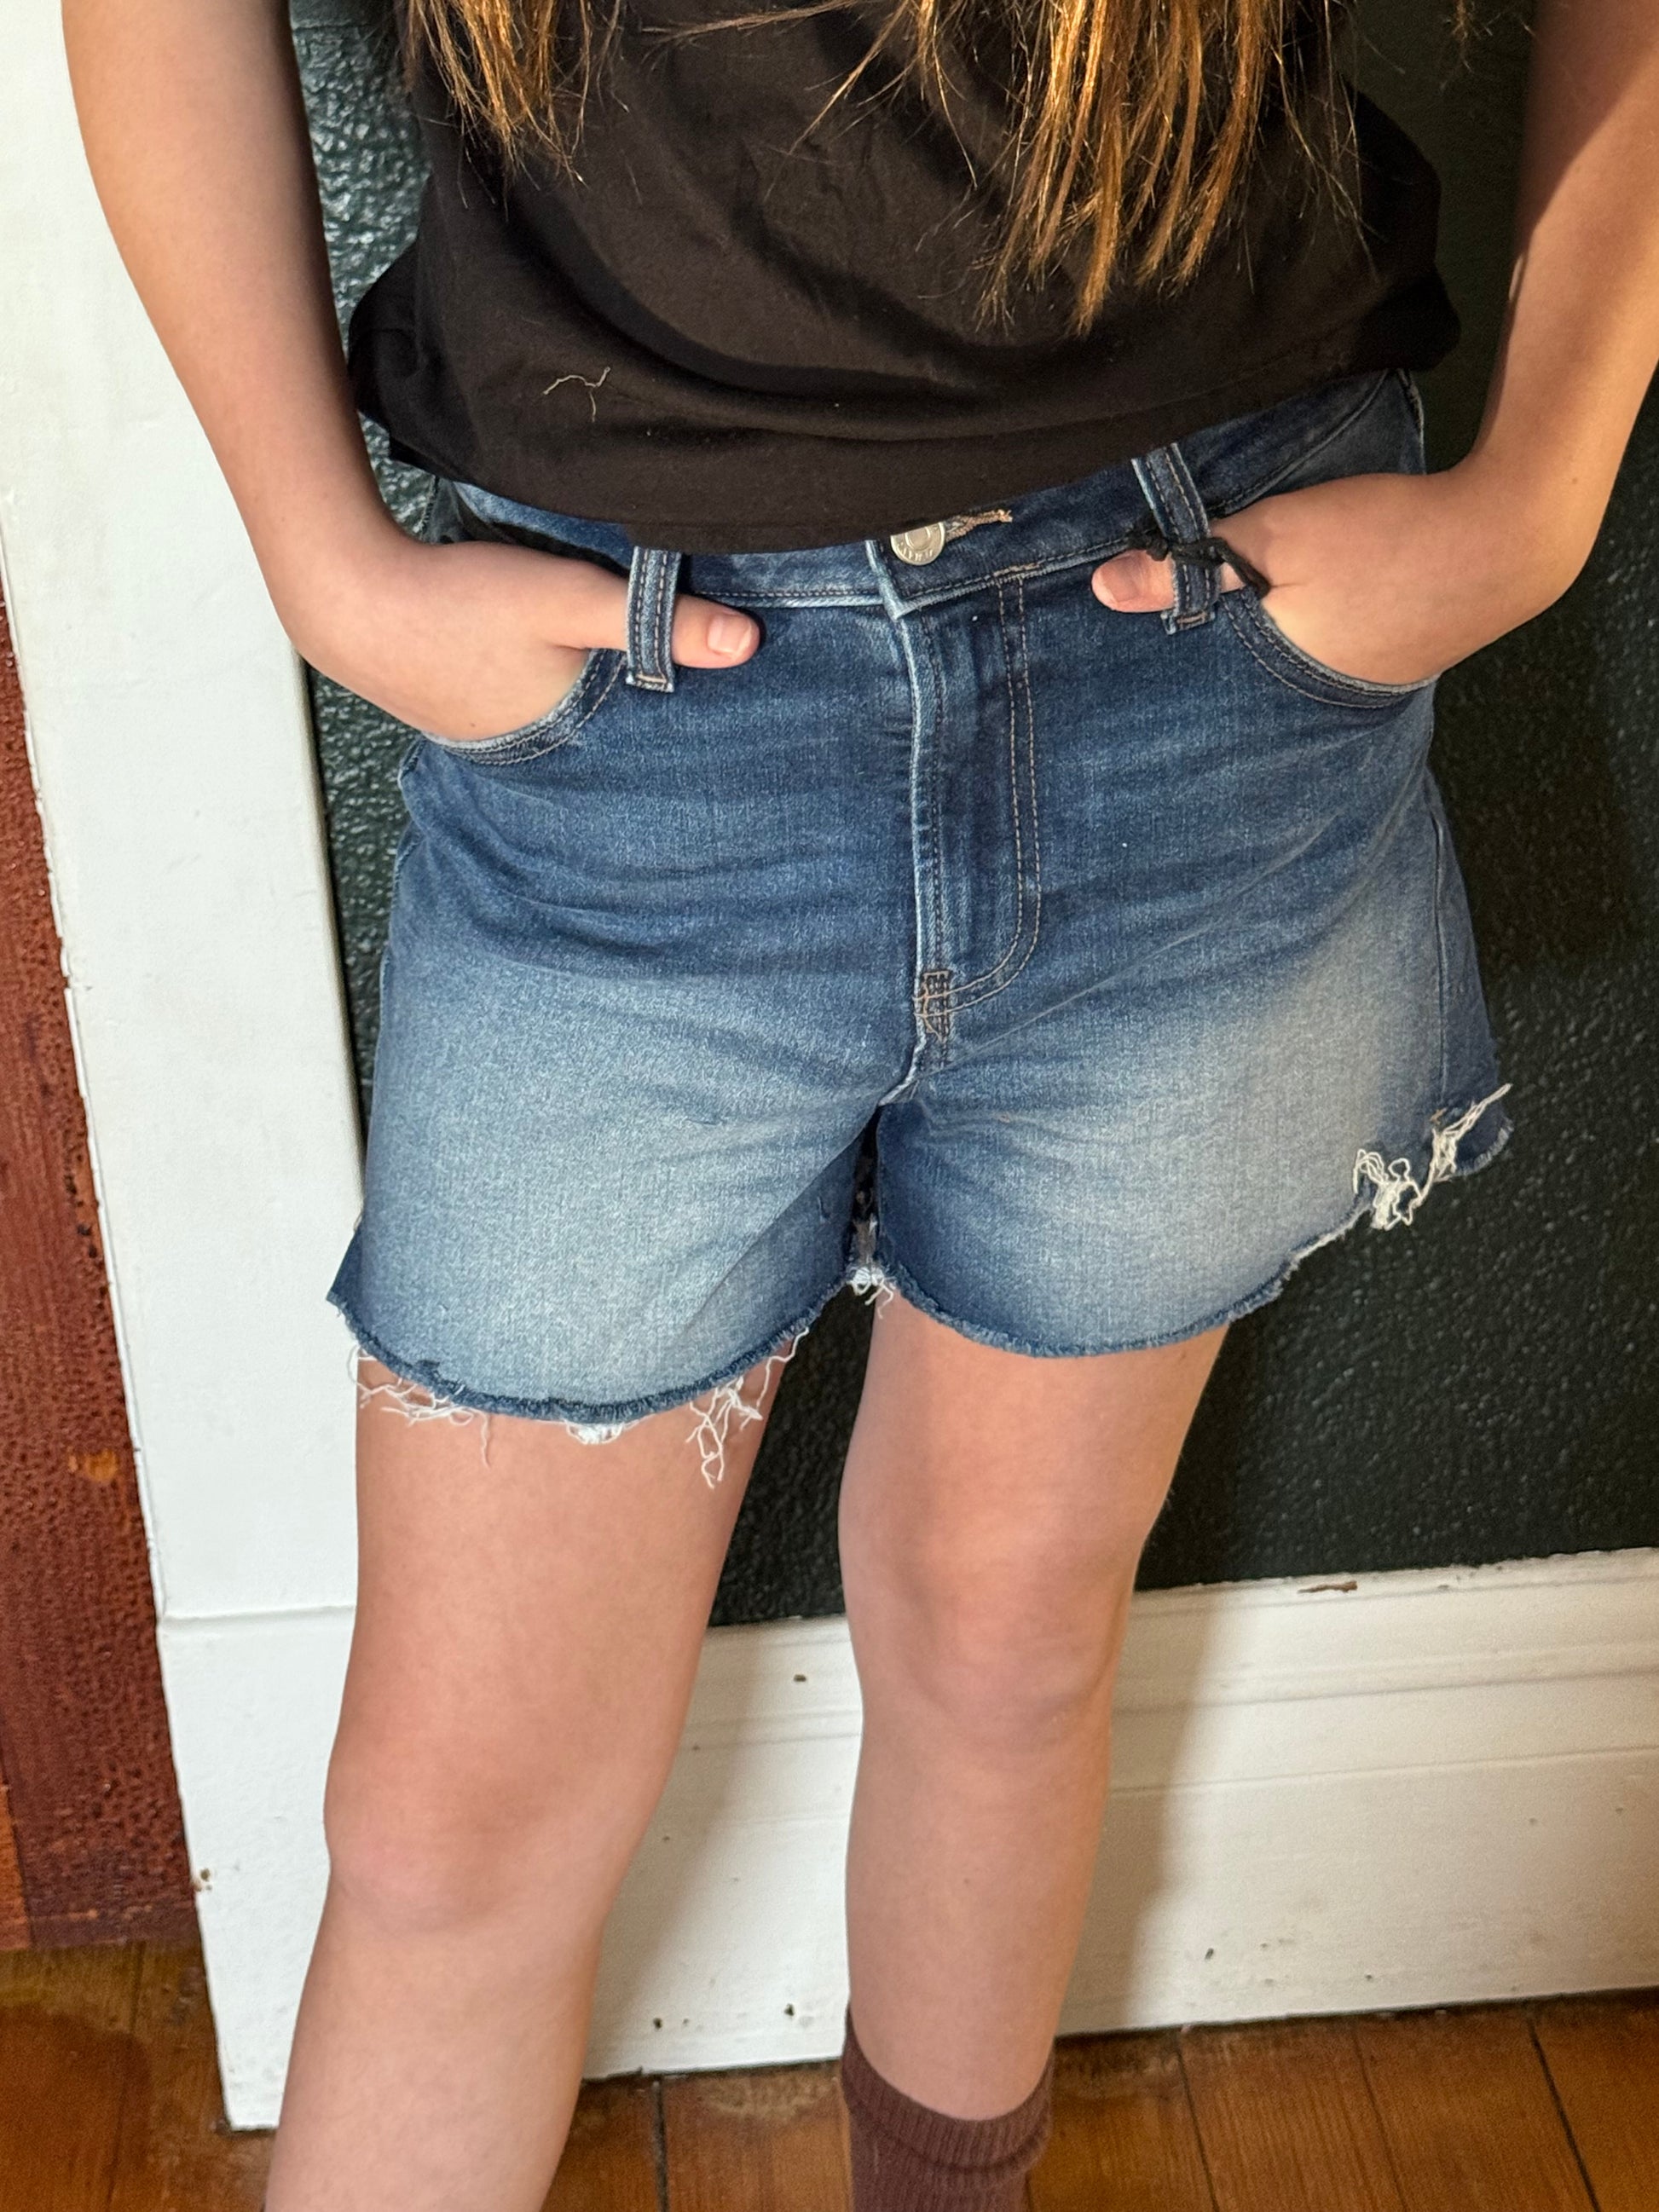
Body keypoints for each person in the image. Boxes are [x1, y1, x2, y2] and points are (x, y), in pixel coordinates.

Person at [63, 0, 1658, 2203]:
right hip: (625, 715)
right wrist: (321, 566)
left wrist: (1536, 497)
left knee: (1006, 1645)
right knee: (451, 1833)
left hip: (1205, 658)